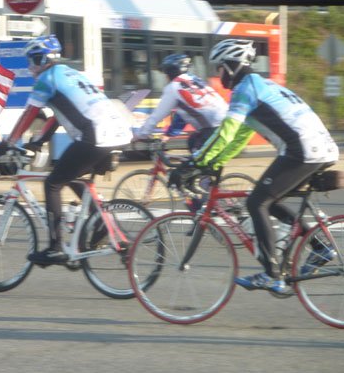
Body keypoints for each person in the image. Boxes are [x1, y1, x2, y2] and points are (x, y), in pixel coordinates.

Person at [192, 38, 339, 292]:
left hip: (303, 151)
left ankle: (273, 274)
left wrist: (195, 162)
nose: (218, 75)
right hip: (320, 148)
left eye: (219, 68)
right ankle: (320, 248)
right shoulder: (262, 85)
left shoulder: (245, 90)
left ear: (230, 66)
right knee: (270, 198)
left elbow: (225, 132)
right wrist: (217, 160)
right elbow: (238, 137)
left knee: (256, 202)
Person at [0, 34, 134, 266]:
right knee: (71, 175)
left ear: (41, 58)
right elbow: (58, 116)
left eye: (31, 61)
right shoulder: (71, 73)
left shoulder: (47, 79)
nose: (30, 67)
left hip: (97, 135)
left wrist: (6, 145)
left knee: (52, 183)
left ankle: (55, 248)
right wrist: (37, 142)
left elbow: (28, 115)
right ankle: (101, 223)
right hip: (118, 133)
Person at [135, 53, 227, 153]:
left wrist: (141, 134)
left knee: (196, 163)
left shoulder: (173, 88)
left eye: (165, 74)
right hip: (227, 123)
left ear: (169, 73)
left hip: (213, 129)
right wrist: (169, 134)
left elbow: (157, 116)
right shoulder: (194, 80)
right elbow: (184, 114)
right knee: (192, 141)